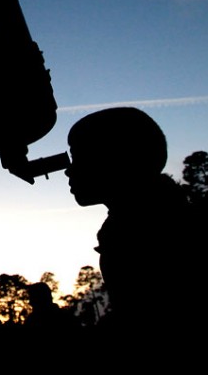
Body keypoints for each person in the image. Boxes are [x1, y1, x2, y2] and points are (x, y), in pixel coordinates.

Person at [64, 107, 193, 330]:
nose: (68, 171)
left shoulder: (157, 233)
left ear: (116, 160)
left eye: (79, 157)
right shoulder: (125, 228)